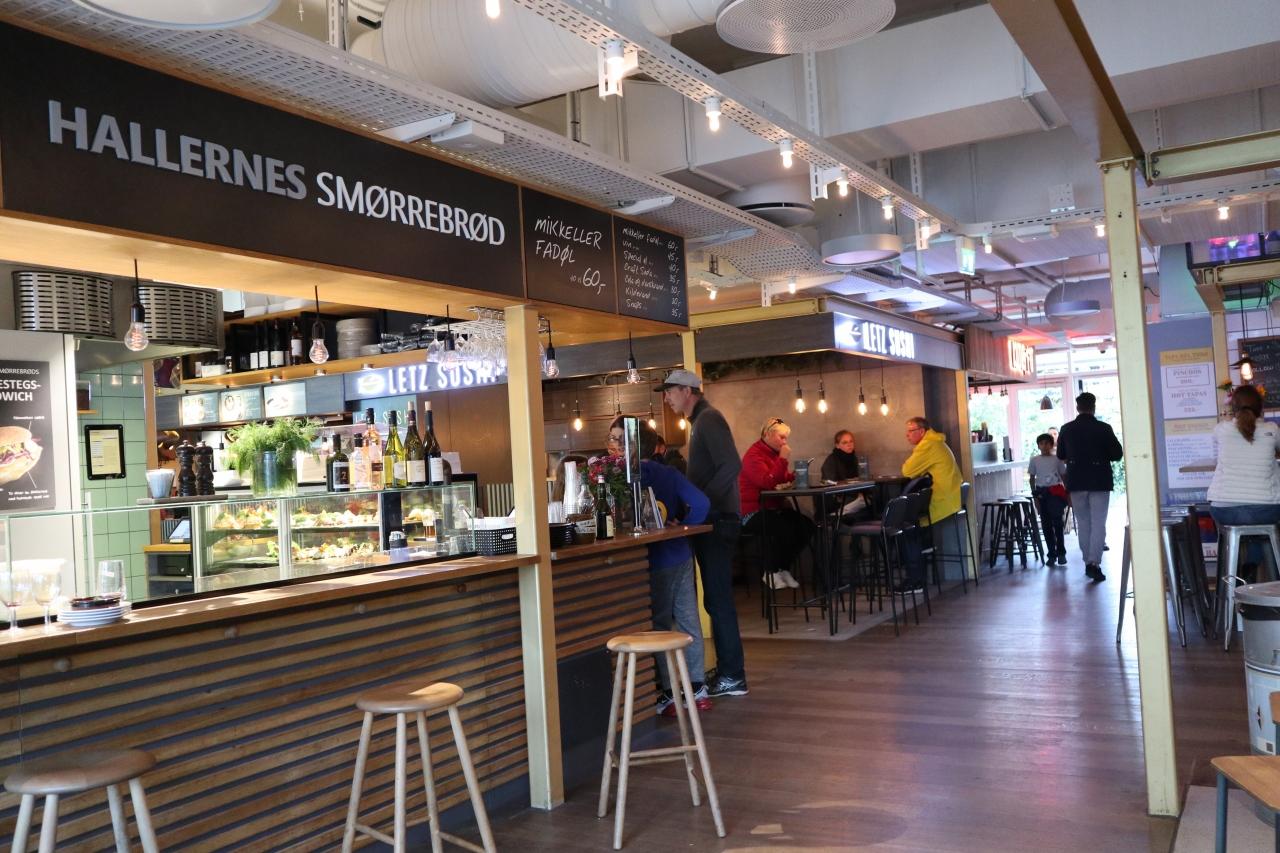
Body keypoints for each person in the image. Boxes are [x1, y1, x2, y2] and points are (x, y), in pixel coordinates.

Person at [660, 368, 748, 698]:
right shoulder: (700, 421)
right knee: (715, 599)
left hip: (718, 520)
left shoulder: (708, 419)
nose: (666, 398)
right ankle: (728, 671)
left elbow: (732, 465)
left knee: (718, 599)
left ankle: (733, 675)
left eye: (669, 391)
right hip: (715, 519)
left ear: (687, 390)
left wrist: (703, 502)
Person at [1207, 385, 1280, 579]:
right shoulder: (1272, 429)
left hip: (1225, 509)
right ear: (1260, 407)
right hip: (1266, 509)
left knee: (1245, 526)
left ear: (1233, 408)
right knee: (1263, 526)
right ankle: (1253, 566)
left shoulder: (1221, 430)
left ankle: (1234, 578)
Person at [740, 418, 815, 590]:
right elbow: (767, 482)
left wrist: (795, 475)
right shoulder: (753, 456)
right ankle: (771, 571)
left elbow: (780, 477)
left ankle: (783, 568)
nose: (784, 442)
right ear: (768, 434)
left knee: (806, 526)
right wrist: (782, 459)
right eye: (781, 437)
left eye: (786, 438)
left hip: (772, 508)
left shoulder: (773, 454)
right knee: (783, 528)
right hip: (752, 512)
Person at [1057, 392, 1124, 582]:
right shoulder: (1103, 428)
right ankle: (1094, 562)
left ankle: (1087, 561)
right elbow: (1117, 454)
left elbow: (1061, 455)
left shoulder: (1066, 429)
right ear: (1094, 407)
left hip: (1076, 480)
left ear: (1078, 408)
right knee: (1098, 522)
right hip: (1099, 480)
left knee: (1084, 522)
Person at [899, 417, 963, 593]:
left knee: (907, 527)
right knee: (912, 523)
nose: (907, 435)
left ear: (921, 432)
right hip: (950, 496)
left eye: (910, 431)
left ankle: (915, 581)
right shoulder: (935, 442)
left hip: (943, 499)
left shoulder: (927, 445)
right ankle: (925, 547)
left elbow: (907, 471)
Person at [1028, 433, 1069, 566]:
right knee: (1046, 525)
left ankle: (1061, 553)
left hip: (1055, 492)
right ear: (1038, 446)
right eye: (1041, 443)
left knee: (1058, 523)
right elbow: (1032, 478)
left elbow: (1064, 476)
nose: (1044, 446)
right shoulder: (1034, 460)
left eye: (1047, 443)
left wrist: (1068, 493)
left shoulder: (1057, 459)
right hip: (1041, 493)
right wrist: (1035, 497)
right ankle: (1051, 554)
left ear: (1052, 445)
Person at [821, 429, 870, 520]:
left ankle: (841, 515)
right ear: (837, 445)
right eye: (845, 442)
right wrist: (849, 483)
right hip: (839, 497)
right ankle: (836, 516)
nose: (849, 444)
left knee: (874, 498)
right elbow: (827, 482)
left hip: (854, 493)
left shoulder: (854, 458)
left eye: (851, 441)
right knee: (864, 502)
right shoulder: (832, 460)